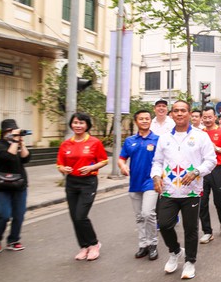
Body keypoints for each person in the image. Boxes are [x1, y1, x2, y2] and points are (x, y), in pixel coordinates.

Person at [150, 100, 216, 280]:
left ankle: (190, 261)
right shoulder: (164, 138)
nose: (179, 114)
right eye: (176, 111)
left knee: (190, 228)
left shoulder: (201, 136)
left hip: (191, 191)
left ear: (189, 114)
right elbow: (157, 161)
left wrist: (196, 172)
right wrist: (156, 176)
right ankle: (175, 251)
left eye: (183, 111)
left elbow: (211, 161)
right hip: (169, 190)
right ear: (172, 114)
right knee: (163, 224)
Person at [57, 112, 109, 261]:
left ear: (86, 125)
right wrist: (63, 169)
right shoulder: (66, 144)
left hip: (88, 182)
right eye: (75, 123)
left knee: (81, 216)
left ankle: (94, 244)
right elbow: (60, 163)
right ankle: (84, 246)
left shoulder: (94, 142)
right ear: (71, 124)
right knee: (74, 217)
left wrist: (91, 168)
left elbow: (104, 160)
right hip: (71, 182)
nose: (78, 125)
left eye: (81, 123)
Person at [118, 110, 160, 261]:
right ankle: (143, 245)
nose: (144, 121)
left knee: (148, 213)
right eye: (141, 119)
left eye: (147, 118)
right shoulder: (130, 141)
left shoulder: (157, 139)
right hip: (134, 183)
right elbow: (122, 158)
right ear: (136, 121)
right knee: (139, 217)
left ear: (150, 121)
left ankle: (153, 244)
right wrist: (122, 167)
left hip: (151, 182)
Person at [0, 119, 30, 253]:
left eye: (14, 131)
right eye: (9, 131)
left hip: (19, 184)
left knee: (19, 214)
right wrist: (14, 142)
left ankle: (13, 240)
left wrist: (22, 144)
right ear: (3, 132)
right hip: (2, 185)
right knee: (3, 214)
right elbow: (7, 157)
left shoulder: (17, 144)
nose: (12, 133)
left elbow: (26, 159)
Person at [199, 106, 221, 244]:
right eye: (205, 117)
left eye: (210, 117)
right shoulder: (199, 134)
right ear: (202, 118)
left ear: (215, 118)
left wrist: (217, 148)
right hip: (202, 172)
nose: (207, 120)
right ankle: (207, 231)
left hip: (218, 170)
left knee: (219, 201)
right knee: (202, 203)